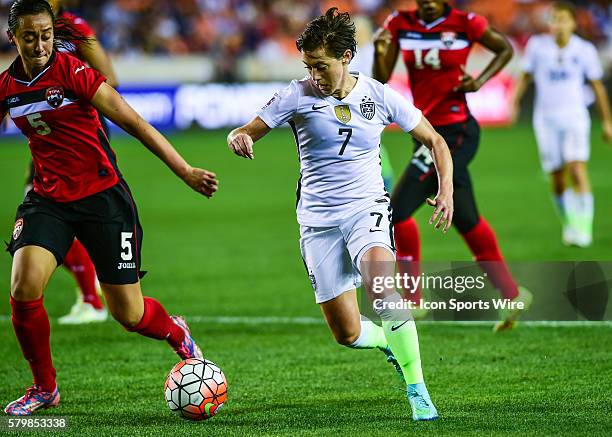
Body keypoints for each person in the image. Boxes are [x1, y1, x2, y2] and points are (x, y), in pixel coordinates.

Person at [228, 8, 453, 421]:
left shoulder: (378, 96)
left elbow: (435, 141)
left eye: (321, 66)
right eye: (308, 66)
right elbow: (244, 129)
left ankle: (418, 390)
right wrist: (239, 137)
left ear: (346, 56)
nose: (314, 74)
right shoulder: (295, 95)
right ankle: (387, 343)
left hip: (366, 208)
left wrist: (446, 191)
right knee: (347, 333)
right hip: (317, 222)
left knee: (384, 291)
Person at [1, 0, 218, 416]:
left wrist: (185, 171)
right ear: (13, 37)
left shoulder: (73, 73)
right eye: (29, 36)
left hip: (104, 200)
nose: (40, 43)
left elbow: (134, 123)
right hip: (48, 199)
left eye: (46, 34)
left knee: (130, 314)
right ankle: (44, 388)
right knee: (24, 286)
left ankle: (176, 331)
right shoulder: (7, 89)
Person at [373, 0, 532, 331]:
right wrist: (379, 50)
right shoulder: (400, 23)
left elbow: (504, 49)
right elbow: (381, 80)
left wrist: (479, 81)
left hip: (456, 131)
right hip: (425, 132)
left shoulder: (465, 22)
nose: (428, 4)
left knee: (397, 210)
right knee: (466, 218)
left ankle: (413, 302)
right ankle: (512, 294)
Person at [23, 0, 120, 324]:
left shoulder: (75, 28)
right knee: (43, 215)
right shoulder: (30, 27)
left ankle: (93, 298)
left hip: (79, 131)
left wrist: (70, 90)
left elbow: (111, 78)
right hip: (49, 137)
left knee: (46, 212)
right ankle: (91, 296)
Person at [512, 1, 612, 247]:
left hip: (575, 117)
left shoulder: (584, 50)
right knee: (557, 178)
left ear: (573, 23)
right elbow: (525, 76)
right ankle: (569, 223)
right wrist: (513, 101)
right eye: (555, 19)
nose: (559, 25)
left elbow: (598, 87)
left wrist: (608, 121)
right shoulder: (537, 47)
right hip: (545, 119)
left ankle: (584, 229)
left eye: (564, 20)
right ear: (550, 23)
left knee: (577, 169)